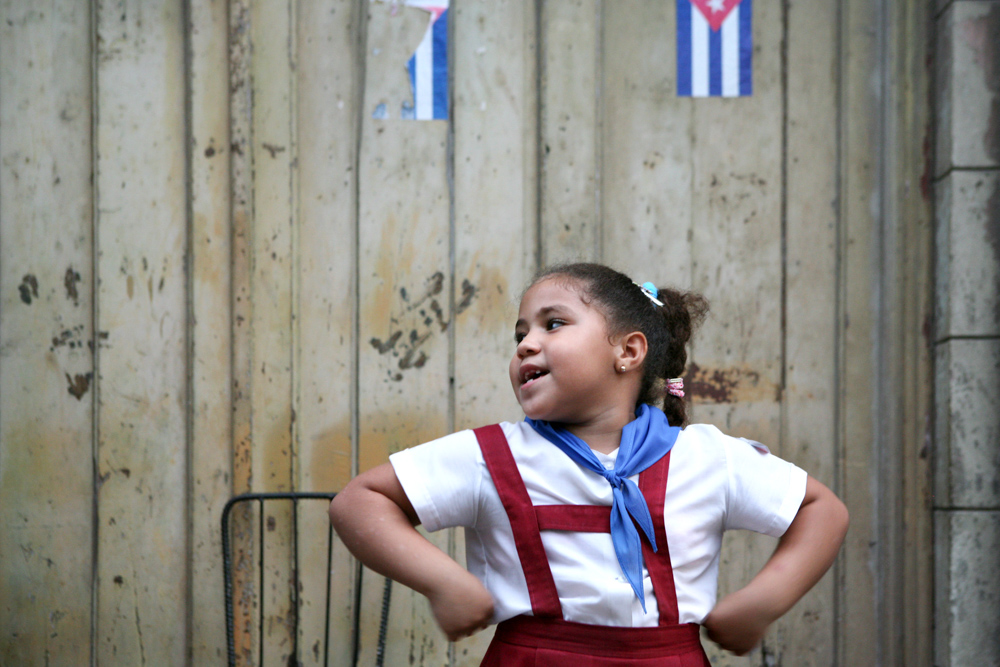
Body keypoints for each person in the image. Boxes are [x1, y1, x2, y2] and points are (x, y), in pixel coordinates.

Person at [329, 262, 849, 665]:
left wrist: (763, 600)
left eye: (553, 324)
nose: (527, 343)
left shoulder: (708, 456)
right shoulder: (488, 455)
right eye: (520, 335)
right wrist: (445, 582)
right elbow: (359, 502)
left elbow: (820, 509)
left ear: (628, 351)